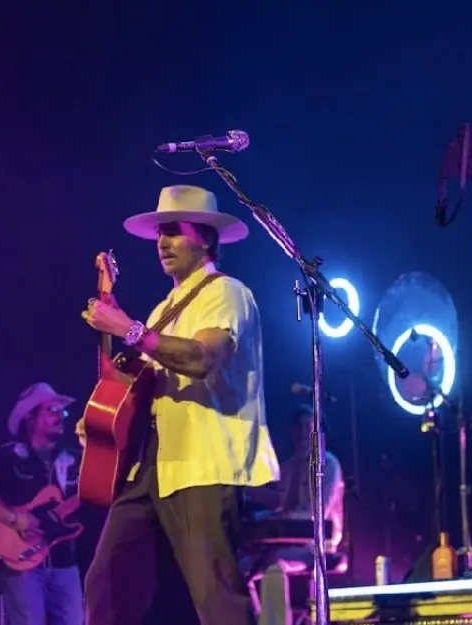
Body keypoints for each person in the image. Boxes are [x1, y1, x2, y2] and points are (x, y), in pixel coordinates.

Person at [79, 184, 280, 625]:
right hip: (152, 466)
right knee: (107, 584)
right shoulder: (162, 310)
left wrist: (129, 328)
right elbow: (136, 384)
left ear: (206, 238)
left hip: (202, 463)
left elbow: (202, 357)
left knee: (216, 596)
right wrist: (101, 418)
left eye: (174, 231)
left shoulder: (225, 292)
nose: (163, 243)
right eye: (159, 234)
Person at [0, 382, 84, 625]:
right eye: (51, 410)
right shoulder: (10, 456)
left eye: (61, 412)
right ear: (30, 417)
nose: (59, 417)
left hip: (64, 561)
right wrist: (13, 518)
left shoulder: (74, 458)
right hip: (21, 563)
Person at [244, 404, 344, 625]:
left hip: (316, 546)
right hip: (287, 544)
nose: (303, 433)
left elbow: (315, 513)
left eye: (308, 427)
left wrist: (277, 518)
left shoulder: (328, 465)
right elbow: (281, 504)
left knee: (273, 563)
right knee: (238, 569)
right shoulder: (287, 467)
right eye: (298, 428)